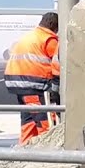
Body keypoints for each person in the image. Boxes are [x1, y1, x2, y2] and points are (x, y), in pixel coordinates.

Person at [4, 12, 61, 144]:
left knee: (28, 121)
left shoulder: (30, 36)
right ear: (54, 26)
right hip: (34, 84)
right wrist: (56, 88)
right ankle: (47, 152)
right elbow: (58, 65)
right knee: (45, 121)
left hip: (18, 84)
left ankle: (24, 151)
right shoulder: (48, 39)